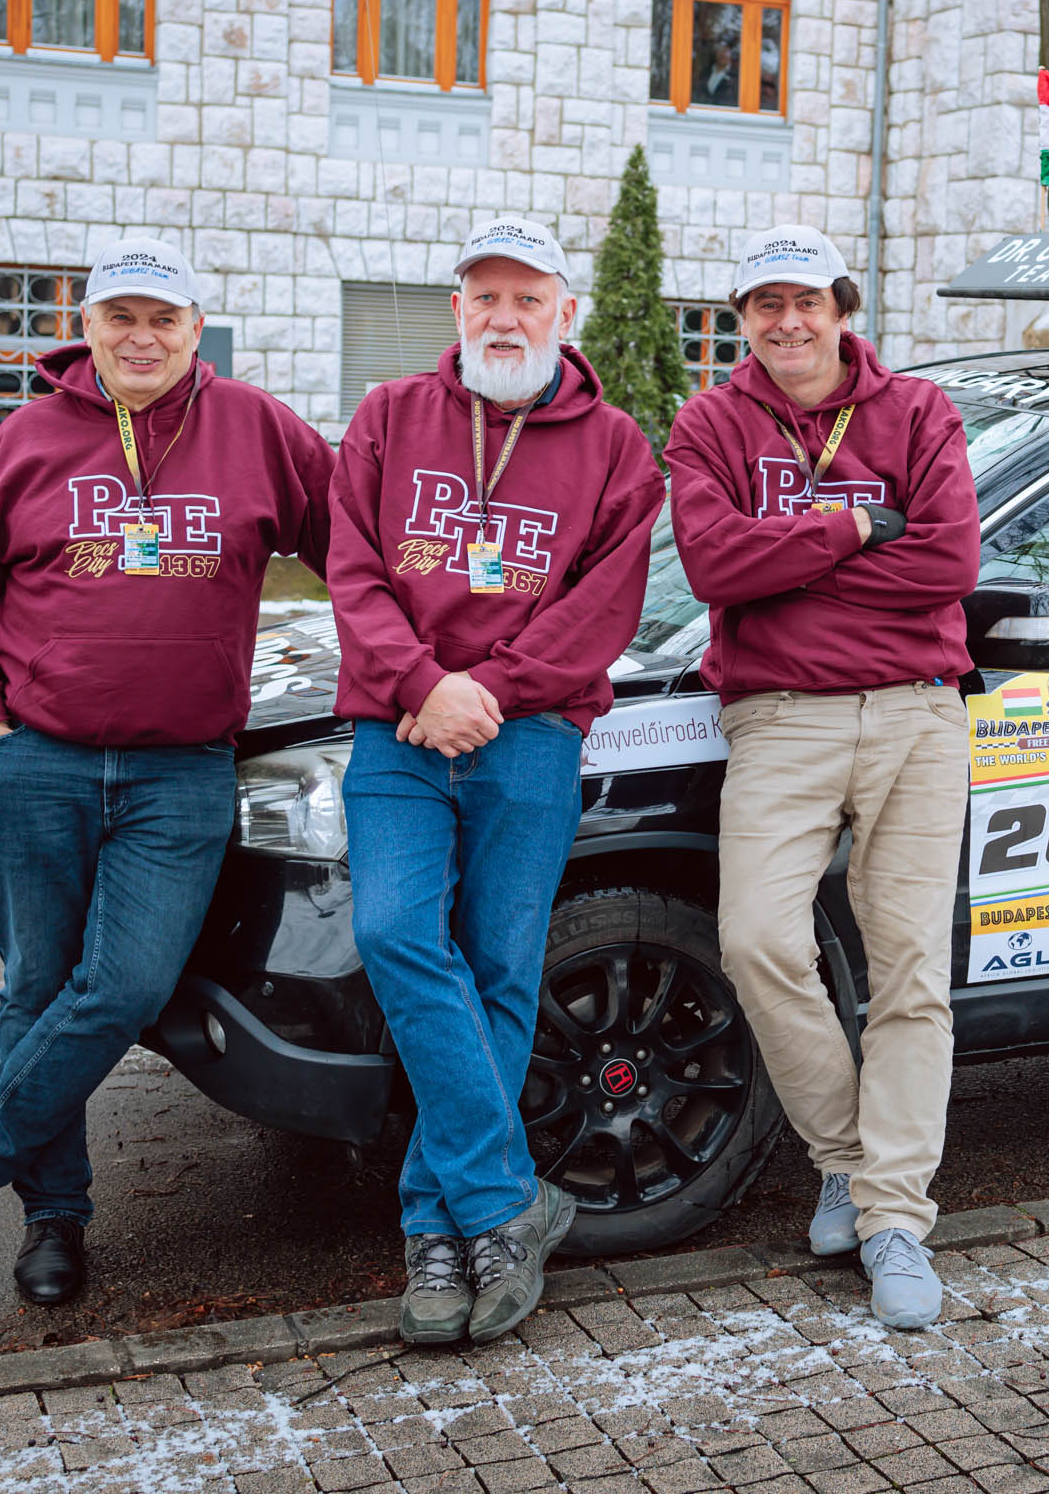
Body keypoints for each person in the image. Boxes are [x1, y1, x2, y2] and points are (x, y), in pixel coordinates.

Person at [0, 236, 333, 1305]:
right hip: (39, 760)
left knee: (131, 984)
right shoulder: (30, 437)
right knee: (38, 989)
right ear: (87, 327)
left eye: (163, 319)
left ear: (198, 328)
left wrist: (442, 649)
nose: (141, 338)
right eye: (120, 318)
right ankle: (54, 1220)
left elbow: (356, 551)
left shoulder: (257, 430)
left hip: (180, 770)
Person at [328, 217, 663, 1346]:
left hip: (529, 733)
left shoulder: (617, 445)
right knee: (394, 935)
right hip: (399, 726)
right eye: (485, 298)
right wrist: (425, 682)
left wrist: (492, 691)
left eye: (528, 299)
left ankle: (439, 1225)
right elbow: (355, 572)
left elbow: (601, 609)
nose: (505, 317)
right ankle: (506, 1198)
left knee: (503, 966)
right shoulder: (387, 418)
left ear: (565, 314)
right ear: (457, 311)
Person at [664, 225, 978, 1330]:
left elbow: (948, 561)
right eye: (764, 305)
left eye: (806, 301)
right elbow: (712, 565)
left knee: (908, 972)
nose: (786, 323)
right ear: (742, 318)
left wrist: (785, 560)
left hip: (916, 716)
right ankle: (843, 1156)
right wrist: (849, 522)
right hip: (779, 718)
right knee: (755, 940)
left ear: (842, 306)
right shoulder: (709, 422)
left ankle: (893, 1212)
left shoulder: (919, 413)